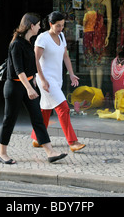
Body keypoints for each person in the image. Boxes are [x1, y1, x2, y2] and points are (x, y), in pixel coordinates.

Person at [0, 13, 68, 165]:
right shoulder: (16, 44)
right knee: (9, 120)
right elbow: (19, 70)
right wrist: (29, 88)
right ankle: (2, 153)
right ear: (31, 26)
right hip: (15, 87)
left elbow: (31, 65)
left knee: (37, 118)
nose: (39, 27)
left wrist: (35, 78)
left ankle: (50, 152)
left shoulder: (29, 42)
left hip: (29, 84)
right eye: (37, 25)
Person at [31, 11, 86, 152]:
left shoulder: (61, 36)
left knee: (45, 109)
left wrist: (72, 74)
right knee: (64, 108)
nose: (61, 28)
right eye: (58, 26)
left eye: (62, 25)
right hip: (46, 79)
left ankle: (37, 138)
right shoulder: (42, 38)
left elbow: (65, 56)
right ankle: (73, 142)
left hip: (57, 79)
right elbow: (35, 60)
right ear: (50, 24)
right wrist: (42, 80)